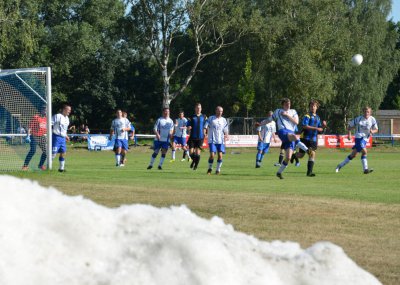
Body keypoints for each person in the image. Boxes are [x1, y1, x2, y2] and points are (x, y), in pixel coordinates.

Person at [269, 98, 308, 179]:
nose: (288, 105)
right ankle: (307, 150)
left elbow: (296, 122)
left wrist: (287, 115)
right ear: (283, 105)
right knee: (294, 137)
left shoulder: (293, 111)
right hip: (283, 132)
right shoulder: (278, 111)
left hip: (290, 133)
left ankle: (279, 173)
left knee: (288, 157)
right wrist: (261, 123)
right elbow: (269, 119)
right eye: (286, 104)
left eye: (289, 104)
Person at [336, 106, 378, 174]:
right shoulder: (358, 119)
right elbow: (349, 126)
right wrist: (349, 134)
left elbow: (376, 129)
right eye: (365, 111)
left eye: (368, 112)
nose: (366, 113)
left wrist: (372, 131)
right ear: (363, 112)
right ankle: (365, 169)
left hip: (365, 139)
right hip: (359, 138)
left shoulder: (372, 119)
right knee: (364, 151)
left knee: (353, 155)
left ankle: (339, 166)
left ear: (370, 113)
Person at [291, 100, 327, 177]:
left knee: (312, 154)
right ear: (309, 107)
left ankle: (309, 172)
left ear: (317, 107)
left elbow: (320, 129)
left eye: (314, 106)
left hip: (313, 139)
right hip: (305, 138)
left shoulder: (318, 117)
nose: (312, 107)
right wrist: (316, 129)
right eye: (311, 106)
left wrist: (324, 126)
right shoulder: (307, 116)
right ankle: (294, 155)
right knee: (301, 155)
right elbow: (304, 126)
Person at [205, 106, 229, 175]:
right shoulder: (211, 118)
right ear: (216, 111)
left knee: (220, 156)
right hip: (212, 140)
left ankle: (218, 170)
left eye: (221, 111)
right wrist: (205, 133)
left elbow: (226, 129)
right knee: (212, 155)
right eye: (219, 111)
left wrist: (227, 135)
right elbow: (205, 125)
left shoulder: (223, 120)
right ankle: (210, 168)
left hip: (220, 140)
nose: (220, 112)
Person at [22, 106, 47, 170]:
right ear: (41, 110)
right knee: (33, 150)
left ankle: (40, 165)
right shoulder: (36, 117)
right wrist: (28, 136)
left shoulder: (46, 118)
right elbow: (30, 127)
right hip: (34, 136)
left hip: (42, 136)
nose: (46, 111)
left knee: (46, 152)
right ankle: (25, 166)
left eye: (47, 110)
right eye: (45, 110)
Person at [187, 103, 207, 170]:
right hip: (192, 137)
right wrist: (189, 127)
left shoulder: (204, 117)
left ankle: (195, 166)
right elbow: (188, 124)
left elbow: (206, 125)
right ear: (195, 108)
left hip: (200, 138)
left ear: (201, 108)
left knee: (197, 153)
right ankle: (194, 161)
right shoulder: (191, 116)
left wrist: (205, 131)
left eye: (200, 108)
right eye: (197, 108)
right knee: (191, 154)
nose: (198, 109)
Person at [52, 104, 71, 172]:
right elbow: (50, 124)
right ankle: (46, 166)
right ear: (64, 109)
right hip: (56, 137)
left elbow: (64, 129)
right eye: (68, 110)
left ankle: (61, 169)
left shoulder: (67, 118)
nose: (69, 111)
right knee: (53, 154)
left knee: (63, 153)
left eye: (70, 110)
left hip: (62, 138)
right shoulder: (57, 116)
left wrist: (66, 136)